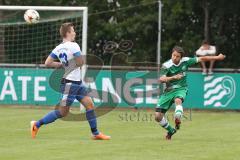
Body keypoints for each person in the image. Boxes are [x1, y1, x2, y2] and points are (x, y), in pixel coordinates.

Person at [30, 22, 110, 140]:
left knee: (90, 105)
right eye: (73, 31)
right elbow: (80, 62)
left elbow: (47, 63)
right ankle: (36, 125)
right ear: (68, 33)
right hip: (70, 84)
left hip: (77, 83)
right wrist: (69, 64)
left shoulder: (58, 48)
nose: (75, 33)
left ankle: (95, 133)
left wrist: (64, 65)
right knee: (62, 112)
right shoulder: (74, 45)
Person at [155, 46, 225, 140]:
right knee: (158, 116)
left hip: (181, 88)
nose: (175, 58)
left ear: (181, 57)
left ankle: (178, 117)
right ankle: (171, 130)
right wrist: (173, 77)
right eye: (173, 55)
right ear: (171, 54)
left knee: (178, 100)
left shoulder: (186, 61)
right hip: (168, 91)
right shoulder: (166, 65)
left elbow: (202, 58)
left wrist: (217, 57)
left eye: (177, 56)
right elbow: (161, 79)